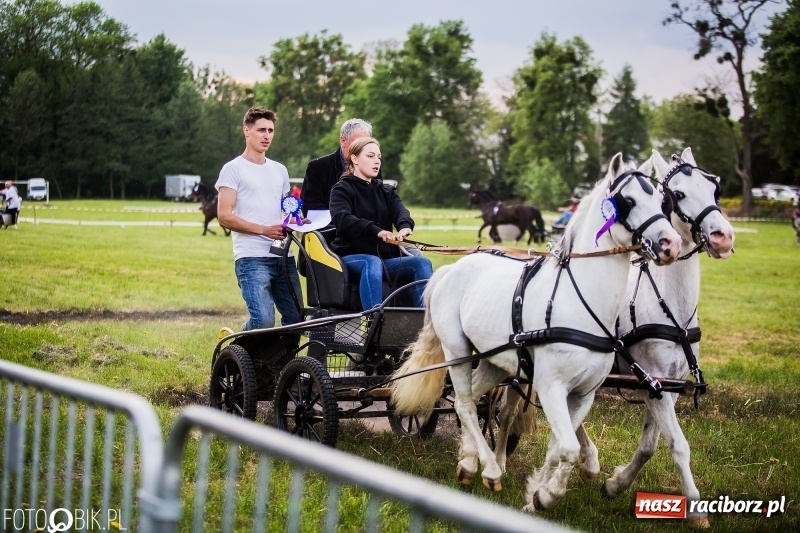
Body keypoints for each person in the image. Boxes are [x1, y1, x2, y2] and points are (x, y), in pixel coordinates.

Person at [215, 106, 304, 331]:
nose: (267, 136)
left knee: (296, 320)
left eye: (271, 130)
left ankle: (280, 365)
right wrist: (264, 230)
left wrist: (297, 220)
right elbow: (224, 217)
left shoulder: (280, 170)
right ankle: (234, 350)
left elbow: (286, 212)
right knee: (264, 320)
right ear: (247, 131)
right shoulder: (232, 169)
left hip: (283, 256)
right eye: (261, 130)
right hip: (251, 258)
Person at [329, 137, 432, 310]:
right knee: (372, 262)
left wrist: (404, 226)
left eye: (379, 157)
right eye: (370, 156)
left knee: (422, 263)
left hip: (385, 259)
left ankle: (426, 323)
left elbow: (400, 211)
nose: (376, 161)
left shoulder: (387, 190)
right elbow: (343, 219)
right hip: (352, 256)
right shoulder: (341, 189)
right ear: (354, 158)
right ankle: (374, 321)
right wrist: (377, 231)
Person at [301, 118, 380, 218]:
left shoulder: (373, 166)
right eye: (358, 142)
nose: (363, 148)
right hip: (332, 230)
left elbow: (379, 202)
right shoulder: (318, 167)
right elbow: (311, 206)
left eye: (367, 143)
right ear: (343, 140)